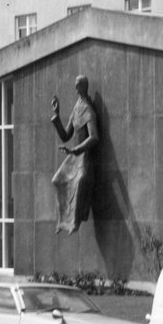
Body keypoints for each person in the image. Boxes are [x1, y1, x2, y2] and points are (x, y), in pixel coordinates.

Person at [51, 75, 99, 234]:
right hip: (74, 156)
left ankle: (74, 222)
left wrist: (76, 150)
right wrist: (57, 116)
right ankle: (62, 221)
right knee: (57, 179)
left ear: (84, 87)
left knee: (80, 180)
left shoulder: (88, 109)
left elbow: (94, 137)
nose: (75, 88)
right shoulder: (77, 107)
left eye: (77, 85)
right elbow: (66, 135)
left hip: (84, 156)